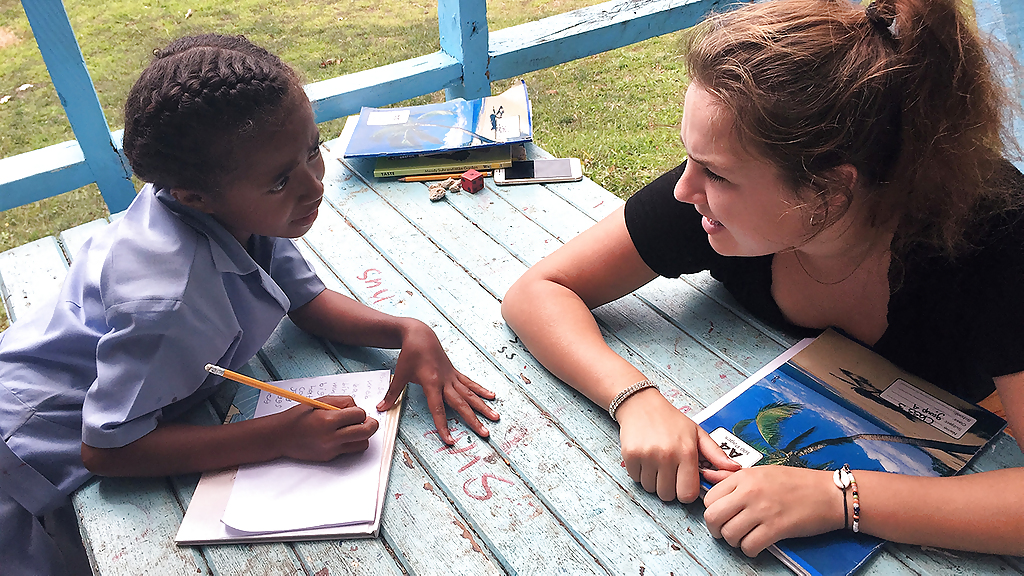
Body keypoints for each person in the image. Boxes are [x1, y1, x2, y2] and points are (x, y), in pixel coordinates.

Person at [502, 0, 1024, 558]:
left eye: (717, 173)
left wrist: (842, 498)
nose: (683, 189)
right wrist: (634, 398)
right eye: (690, 159)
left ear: (829, 191)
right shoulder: (711, 203)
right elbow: (538, 291)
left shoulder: (996, 238)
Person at [0, 34, 500, 576]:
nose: (314, 186)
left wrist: (406, 330)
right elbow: (109, 450)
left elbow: (305, 302)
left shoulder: (234, 206)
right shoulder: (166, 299)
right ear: (195, 195)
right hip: (28, 457)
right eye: (282, 180)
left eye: (312, 150)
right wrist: (280, 436)